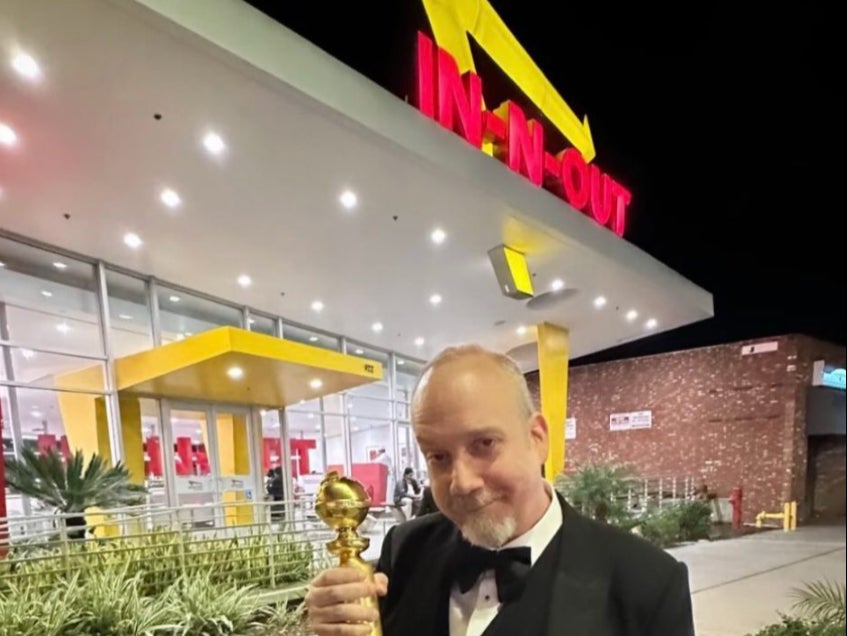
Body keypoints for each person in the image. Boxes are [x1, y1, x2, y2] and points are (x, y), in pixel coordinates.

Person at [305, 345, 695, 635]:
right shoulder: (404, 551)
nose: (462, 481)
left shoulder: (647, 583)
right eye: (438, 456)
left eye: (484, 444)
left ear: (537, 438)